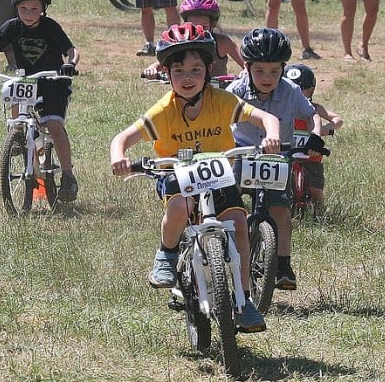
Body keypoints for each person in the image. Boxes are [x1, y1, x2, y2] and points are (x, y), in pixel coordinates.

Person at [109, 22, 280, 333]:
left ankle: (243, 299)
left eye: (195, 70)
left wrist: (272, 134)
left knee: (239, 225)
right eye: (179, 71)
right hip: (178, 174)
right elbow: (122, 138)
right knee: (179, 207)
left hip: (219, 174)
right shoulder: (164, 110)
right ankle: (167, 253)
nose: (187, 78)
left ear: (208, 70)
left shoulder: (223, 101)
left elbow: (266, 117)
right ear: (167, 73)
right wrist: (119, 157)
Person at [0, 0, 79, 201]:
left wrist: (70, 64)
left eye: (34, 9)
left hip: (53, 81)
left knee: (54, 125)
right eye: (23, 8)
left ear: (43, 8)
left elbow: (72, 50)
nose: (28, 14)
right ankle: (18, 138)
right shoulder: (12, 27)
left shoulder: (50, 27)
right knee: (14, 96)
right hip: (28, 80)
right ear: (16, 7)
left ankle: (68, 175)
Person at [227, 28, 324, 290]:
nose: (267, 77)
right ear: (246, 67)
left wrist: (315, 136)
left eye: (274, 71)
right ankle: (224, 245)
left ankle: (283, 263)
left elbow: (312, 114)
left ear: (283, 68)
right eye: (259, 71)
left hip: (279, 154)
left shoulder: (291, 90)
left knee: (281, 209)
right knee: (228, 199)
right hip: (243, 151)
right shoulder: (234, 90)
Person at [284, 63, 343, 214]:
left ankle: (320, 212)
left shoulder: (315, 108)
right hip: (287, 154)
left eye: (301, 91)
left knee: (315, 190)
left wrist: (327, 128)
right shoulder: (282, 109)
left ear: (310, 90)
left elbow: (337, 119)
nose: (297, 95)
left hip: (311, 156)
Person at [142, 0, 244, 78]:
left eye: (203, 27)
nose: (198, 31)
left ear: (212, 24)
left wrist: (246, 71)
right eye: (194, 27)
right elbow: (161, 63)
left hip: (218, 97)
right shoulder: (182, 44)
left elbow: (246, 63)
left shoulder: (223, 42)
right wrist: (152, 69)